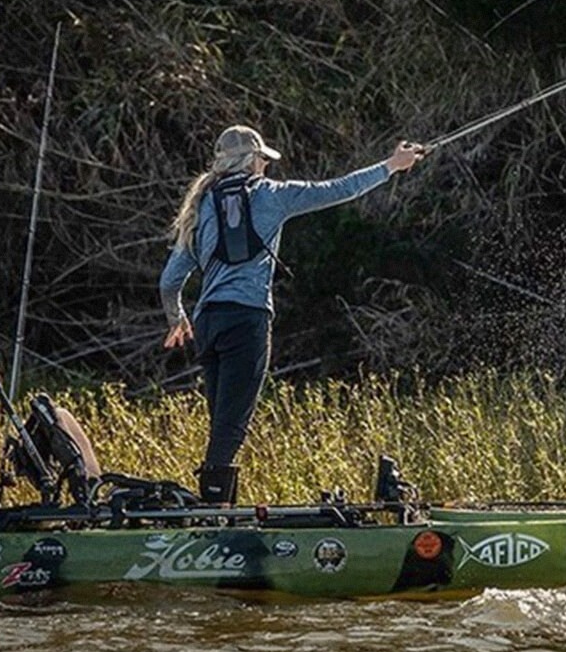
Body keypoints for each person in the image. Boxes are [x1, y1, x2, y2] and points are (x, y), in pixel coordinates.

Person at [160, 125, 425, 504]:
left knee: (222, 421)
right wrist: (391, 166)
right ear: (252, 161)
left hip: (207, 323)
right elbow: (338, 189)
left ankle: (217, 508)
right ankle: (212, 514)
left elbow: (170, 280)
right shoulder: (272, 195)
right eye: (263, 160)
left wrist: (176, 318)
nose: (265, 167)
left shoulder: (200, 206)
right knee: (231, 428)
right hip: (246, 321)